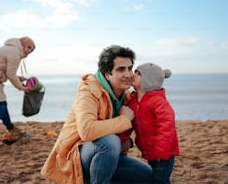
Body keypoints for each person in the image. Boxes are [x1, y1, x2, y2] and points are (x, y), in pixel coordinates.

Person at [41, 45, 153, 184]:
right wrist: (123, 120)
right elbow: (87, 131)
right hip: (75, 158)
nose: (128, 75)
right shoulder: (88, 92)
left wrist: (128, 142)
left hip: (106, 156)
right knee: (110, 142)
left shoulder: (126, 96)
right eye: (121, 69)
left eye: (130, 68)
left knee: (147, 176)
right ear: (107, 74)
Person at [128, 62, 179, 184]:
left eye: (138, 73)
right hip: (150, 151)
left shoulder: (157, 101)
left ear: (148, 80)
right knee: (156, 179)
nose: (133, 75)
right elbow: (127, 123)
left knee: (160, 180)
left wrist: (161, 151)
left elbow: (167, 126)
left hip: (163, 153)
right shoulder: (133, 100)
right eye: (135, 71)